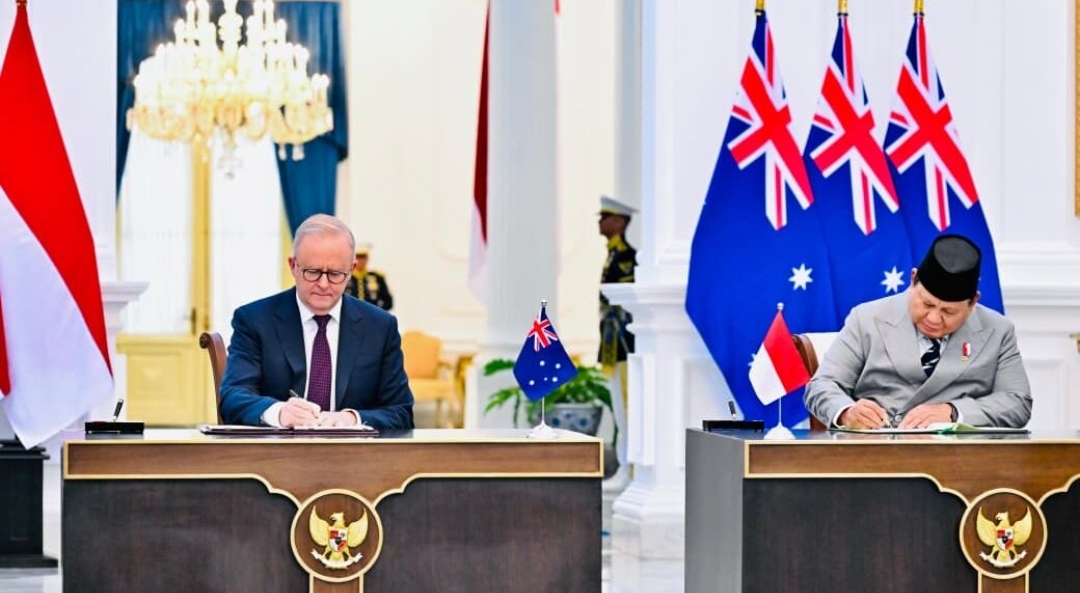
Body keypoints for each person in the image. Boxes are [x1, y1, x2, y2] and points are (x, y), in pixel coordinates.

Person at [804, 234, 1031, 429]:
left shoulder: (998, 330)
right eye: (926, 304)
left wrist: (953, 413)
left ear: (973, 303)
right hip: (878, 452)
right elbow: (821, 386)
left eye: (949, 312)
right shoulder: (867, 318)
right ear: (913, 280)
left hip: (961, 460)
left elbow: (1017, 403)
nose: (933, 319)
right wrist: (847, 412)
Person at [218, 214, 414, 430]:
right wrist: (280, 412)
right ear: (293, 266)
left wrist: (352, 418)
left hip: (353, 457)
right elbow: (233, 396)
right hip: (276, 456)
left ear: (351, 270)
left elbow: (401, 411)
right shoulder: (255, 320)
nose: (323, 284)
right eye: (312, 272)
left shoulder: (380, 327)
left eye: (335, 274)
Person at [598, 195, 637, 485]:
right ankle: (625, 466)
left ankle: (630, 467)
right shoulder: (613, 255)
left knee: (627, 407)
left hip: (624, 345)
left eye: (605, 217)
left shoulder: (626, 257)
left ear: (620, 222)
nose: (600, 222)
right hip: (612, 345)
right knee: (619, 407)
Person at [345, 243, 393, 311]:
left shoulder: (377, 278)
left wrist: (376, 313)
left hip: (372, 318)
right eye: (358, 257)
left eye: (363, 257)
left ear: (367, 258)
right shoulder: (345, 278)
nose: (360, 260)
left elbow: (388, 302)